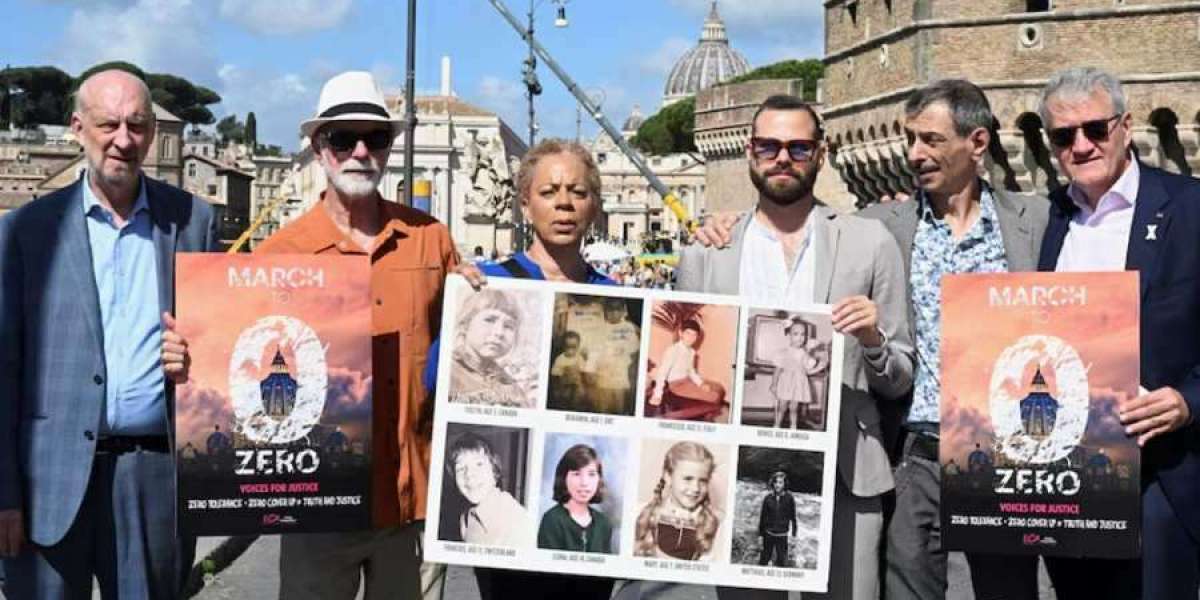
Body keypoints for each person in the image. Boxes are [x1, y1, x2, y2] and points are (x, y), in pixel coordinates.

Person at [163, 71, 459, 600]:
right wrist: (189, 357)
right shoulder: (277, 254)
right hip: (314, 512)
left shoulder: (432, 242)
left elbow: (469, 351)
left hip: (411, 505)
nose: (360, 151)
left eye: (376, 137)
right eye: (344, 138)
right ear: (320, 147)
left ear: (390, 149)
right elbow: (232, 363)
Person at [678, 94, 915, 600]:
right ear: (749, 152)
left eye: (798, 148)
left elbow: (900, 377)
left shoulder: (869, 242)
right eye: (769, 146)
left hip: (847, 471)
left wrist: (872, 339)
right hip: (741, 468)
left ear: (821, 155)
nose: (782, 158)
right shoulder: (706, 251)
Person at [0, 69, 215, 598]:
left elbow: (227, 347)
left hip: (154, 479)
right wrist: (3, 493)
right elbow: (4, 370)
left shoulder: (194, 222)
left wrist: (201, 355)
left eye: (137, 125)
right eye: (109, 123)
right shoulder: (25, 230)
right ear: (77, 128)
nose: (124, 139)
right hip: (45, 483)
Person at [422, 138, 621, 600]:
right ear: (525, 205)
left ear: (594, 207)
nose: (564, 203)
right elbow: (434, 381)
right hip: (510, 536)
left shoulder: (616, 296)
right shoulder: (486, 283)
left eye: (578, 191)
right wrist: (454, 312)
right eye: (549, 192)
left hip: (577, 519)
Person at [1036, 66, 1200, 600]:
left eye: (1095, 130)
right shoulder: (1049, 219)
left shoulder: (1192, 207)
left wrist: (1188, 400)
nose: (1081, 146)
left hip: (1164, 474)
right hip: (1069, 481)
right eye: (1063, 136)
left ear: (1127, 126)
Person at [633, 441, 723, 561]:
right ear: (668, 477)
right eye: (688, 479)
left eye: (703, 481)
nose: (695, 488)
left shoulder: (714, 524)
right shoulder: (640, 513)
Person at [448, 289, 531, 408]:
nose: (499, 333)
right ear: (465, 324)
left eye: (508, 326)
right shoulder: (449, 371)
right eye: (490, 320)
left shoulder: (510, 386)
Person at [447, 432, 531, 547]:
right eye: (461, 468)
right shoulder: (465, 519)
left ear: (494, 469)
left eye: (479, 464)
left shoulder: (517, 520)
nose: (469, 474)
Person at [537, 444, 614, 554]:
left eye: (591, 474)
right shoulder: (552, 520)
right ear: (564, 478)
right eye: (577, 474)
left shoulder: (604, 524)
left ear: (599, 479)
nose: (584, 483)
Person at [649, 319, 726, 418]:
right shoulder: (673, 350)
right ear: (681, 333)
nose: (691, 338)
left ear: (697, 337)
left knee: (717, 390)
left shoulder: (691, 352)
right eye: (688, 333)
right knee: (713, 396)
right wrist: (657, 395)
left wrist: (701, 383)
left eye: (694, 335)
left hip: (687, 381)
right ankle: (702, 416)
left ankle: (706, 415)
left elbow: (691, 371)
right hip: (675, 385)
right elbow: (662, 373)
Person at [582, 298, 641, 415]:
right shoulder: (599, 328)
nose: (614, 313)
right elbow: (593, 351)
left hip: (621, 373)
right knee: (603, 405)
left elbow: (634, 348)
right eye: (611, 310)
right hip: (603, 374)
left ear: (623, 311)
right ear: (605, 311)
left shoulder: (629, 328)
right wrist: (590, 370)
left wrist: (622, 350)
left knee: (619, 403)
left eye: (617, 309)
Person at [771, 318, 828, 429]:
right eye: (796, 334)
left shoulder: (804, 353)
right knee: (782, 406)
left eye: (803, 334)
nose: (800, 338)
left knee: (794, 407)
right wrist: (774, 384)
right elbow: (777, 369)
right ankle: (777, 424)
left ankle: (793, 426)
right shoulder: (784, 352)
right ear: (789, 336)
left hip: (798, 383)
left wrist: (820, 365)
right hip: (786, 382)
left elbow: (807, 370)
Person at [758, 471, 797, 567]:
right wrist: (760, 536)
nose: (777, 485)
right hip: (768, 534)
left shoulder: (789, 498)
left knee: (782, 563)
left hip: (782, 536)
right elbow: (762, 518)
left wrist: (793, 536)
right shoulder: (767, 498)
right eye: (775, 482)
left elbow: (793, 518)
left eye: (780, 482)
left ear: (784, 484)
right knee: (763, 562)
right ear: (773, 483)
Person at [548, 331, 586, 411]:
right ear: (563, 346)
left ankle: (576, 407)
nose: (570, 350)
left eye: (573, 347)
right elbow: (555, 374)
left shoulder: (579, 358)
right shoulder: (560, 359)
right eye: (567, 347)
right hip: (564, 384)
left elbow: (583, 372)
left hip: (576, 384)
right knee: (564, 398)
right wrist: (557, 388)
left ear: (578, 346)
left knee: (578, 397)